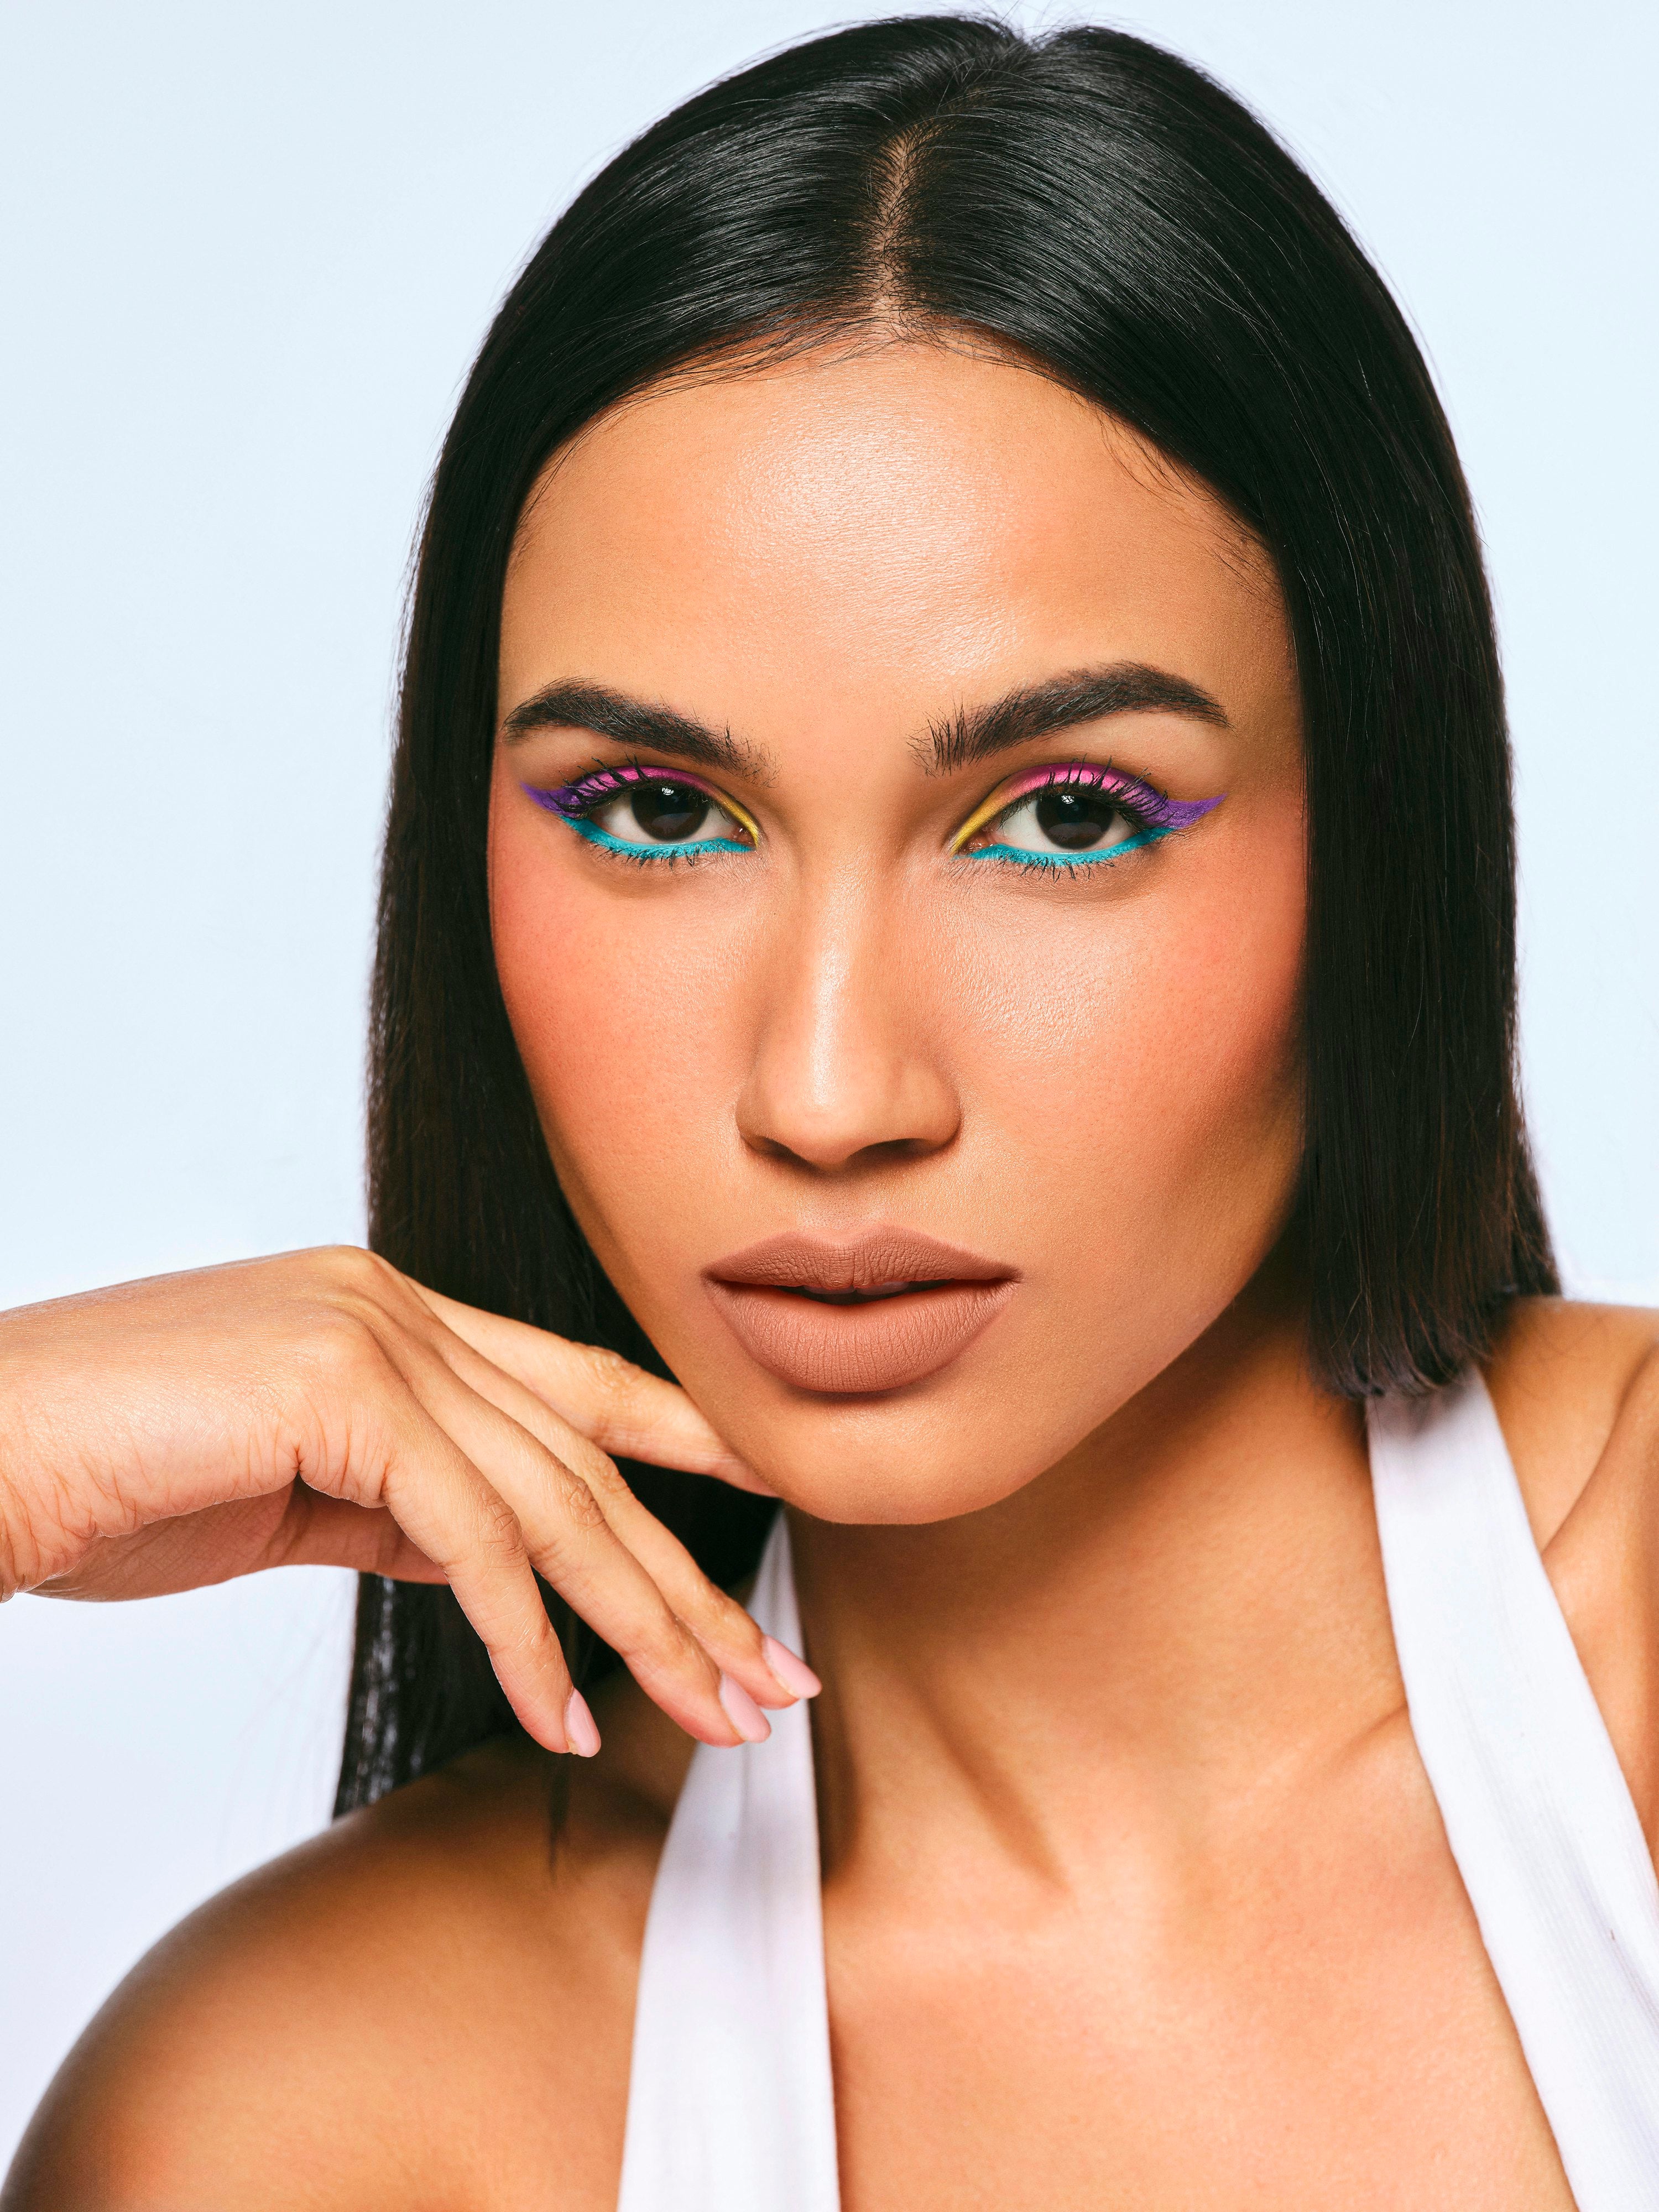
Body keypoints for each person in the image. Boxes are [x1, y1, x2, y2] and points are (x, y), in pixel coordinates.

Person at [4, 16, 1656, 2209]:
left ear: (1381, 838)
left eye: (1067, 815)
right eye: (656, 810)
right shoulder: (315, 2117)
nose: (830, 1091)